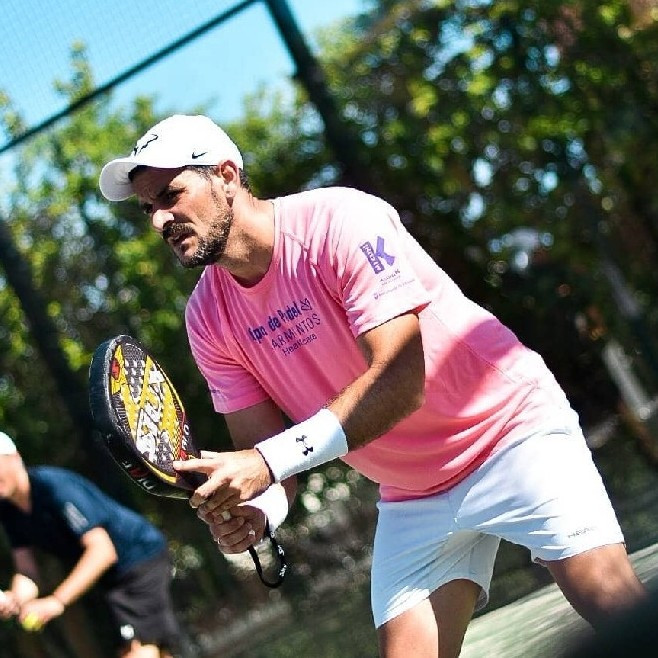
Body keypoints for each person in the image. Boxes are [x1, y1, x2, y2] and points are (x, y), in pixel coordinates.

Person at [98, 114, 646, 658]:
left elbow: (402, 379)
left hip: (509, 434)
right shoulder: (206, 319)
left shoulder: (340, 221)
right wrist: (259, 512)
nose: (159, 220)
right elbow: (266, 456)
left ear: (225, 175)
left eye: (170, 195)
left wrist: (264, 463)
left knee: (608, 600)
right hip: (412, 493)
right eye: (148, 208)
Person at [0, 431, 182, 658]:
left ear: (15, 457)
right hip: (110, 579)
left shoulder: (53, 486)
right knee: (149, 650)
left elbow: (103, 551)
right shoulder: (7, 511)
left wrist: (56, 601)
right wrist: (14, 599)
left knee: (137, 650)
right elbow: (27, 571)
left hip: (139, 559)